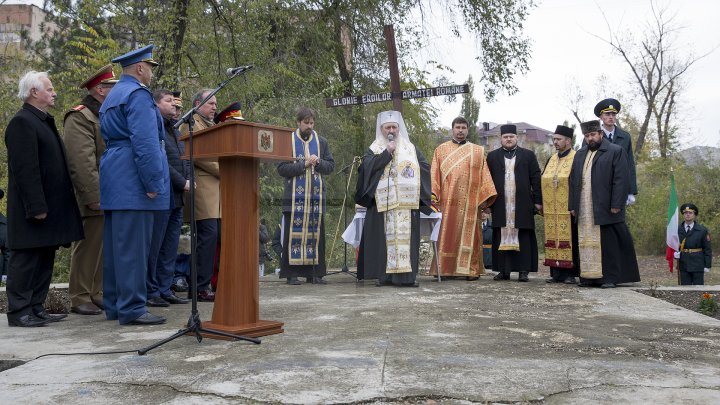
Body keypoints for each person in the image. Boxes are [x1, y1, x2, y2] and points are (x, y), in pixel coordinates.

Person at [4, 71, 84, 327]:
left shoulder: (41, 120)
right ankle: (19, 312)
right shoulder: (22, 122)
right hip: (34, 209)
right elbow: (25, 170)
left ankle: (36, 307)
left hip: (51, 208)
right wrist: (36, 206)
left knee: (44, 259)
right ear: (34, 92)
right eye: (49, 89)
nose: (54, 93)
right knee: (26, 260)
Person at [99, 45, 171, 325]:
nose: (152, 72)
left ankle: (116, 305)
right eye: (150, 67)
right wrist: (153, 181)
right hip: (133, 178)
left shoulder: (113, 94)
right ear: (140, 68)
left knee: (118, 247)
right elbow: (146, 143)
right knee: (135, 248)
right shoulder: (138, 95)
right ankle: (132, 308)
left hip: (115, 173)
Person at [63, 64, 117, 316]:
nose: (115, 91)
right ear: (100, 90)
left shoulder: (103, 115)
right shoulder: (80, 117)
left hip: (109, 191)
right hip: (92, 193)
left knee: (102, 246)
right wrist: (93, 196)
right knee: (87, 246)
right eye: (111, 87)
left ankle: (95, 292)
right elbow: (81, 162)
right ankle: (79, 295)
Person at [355, 110, 432, 287]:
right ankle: (385, 277)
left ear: (399, 128)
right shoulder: (374, 148)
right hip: (383, 204)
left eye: (394, 127)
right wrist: (386, 153)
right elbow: (366, 169)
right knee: (384, 241)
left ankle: (407, 278)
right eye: (387, 127)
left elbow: (425, 167)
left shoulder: (410, 148)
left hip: (406, 202)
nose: (391, 130)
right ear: (382, 129)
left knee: (407, 239)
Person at [568, 120, 640, 288]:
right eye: (587, 136)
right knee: (584, 242)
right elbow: (573, 182)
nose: (590, 139)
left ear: (600, 134)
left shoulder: (615, 151)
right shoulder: (580, 154)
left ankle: (609, 278)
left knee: (609, 244)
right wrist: (572, 205)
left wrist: (617, 203)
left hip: (606, 207)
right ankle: (587, 276)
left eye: (593, 135)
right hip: (584, 209)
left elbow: (621, 180)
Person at [430, 116, 496, 280]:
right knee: (446, 235)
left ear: (467, 130)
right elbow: (434, 176)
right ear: (452, 129)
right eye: (457, 127)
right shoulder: (440, 150)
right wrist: (433, 197)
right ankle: (444, 269)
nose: (460, 130)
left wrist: (485, 201)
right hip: (447, 202)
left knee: (470, 236)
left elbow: (485, 176)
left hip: (470, 203)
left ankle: (470, 270)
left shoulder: (477, 151)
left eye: (463, 128)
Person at [276, 108, 335, 285]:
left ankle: (314, 273)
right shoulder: (288, 141)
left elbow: (330, 166)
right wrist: (304, 164)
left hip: (316, 199)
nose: (309, 126)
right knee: (292, 236)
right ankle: (291, 273)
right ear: (298, 122)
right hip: (293, 199)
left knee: (315, 236)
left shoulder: (321, 142)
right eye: (306, 123)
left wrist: (318, 163)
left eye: (311, 123)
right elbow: (281, 169)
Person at [145, 89, 191, 307]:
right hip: (163, 194)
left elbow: (184, 159)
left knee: (170, 246)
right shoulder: (155, 127)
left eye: (176, 102)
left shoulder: (176, 129)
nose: (174, 105)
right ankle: (151, 289)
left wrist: (188, 179)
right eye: (168, 101)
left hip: (178, 197)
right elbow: (163, 162)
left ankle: (165, 288)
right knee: (156, 245)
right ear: (156, 104)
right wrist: (182, 182)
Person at [177, 89, 219, 301]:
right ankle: (199, 287)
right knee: (207, 237)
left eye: (215, 104)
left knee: (214, 238)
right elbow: (198, 155)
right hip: (202, 189)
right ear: (197, 103)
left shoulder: (212, 124)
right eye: (210, 103)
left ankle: (208, 284)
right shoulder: (190, 123)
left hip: (217, 193)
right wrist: (226, 170)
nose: (214, 107)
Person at [486, 124, 542, 282]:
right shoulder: (492, 156)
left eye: (511, 136)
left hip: (522, 204)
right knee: (500, 235)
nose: (508, 139)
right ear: (501, 139)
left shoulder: (528, 155)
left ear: (517, 138)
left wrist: (538, 201)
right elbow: (486, 182)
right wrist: (487, 204)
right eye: (505, 137)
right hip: (500, 204)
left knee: (523, 236)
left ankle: (523, 271)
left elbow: (536, 178)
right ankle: (503, 271)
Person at [542, 125, 581, 284]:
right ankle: (556, 273)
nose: (555, 142)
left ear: (568, 141)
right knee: (553, 239)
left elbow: (578, 183)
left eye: (558, 139)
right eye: (554, 139)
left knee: (571, 239)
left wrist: (575, 206)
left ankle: (570, 274)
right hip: (552, 208)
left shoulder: (576, 157)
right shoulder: (551, 159)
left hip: (568, 208)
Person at [593, 98, 637, 203]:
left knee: (618, 218)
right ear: (601, 117)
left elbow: (629, 164)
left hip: (620, 187)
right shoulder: (593, 137)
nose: (611, 117)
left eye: (613, 114)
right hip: (599, 189)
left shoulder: (625, 137)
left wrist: (631, 191)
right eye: (607, 114)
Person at [676, 203, 712, 285]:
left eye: (690, 213)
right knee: (685, 288)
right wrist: (675, 253)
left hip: (698, 263)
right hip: (683, 262)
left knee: (698, 289)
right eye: (685, 213)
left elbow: (707, 249)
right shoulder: (677, 229)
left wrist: (707, 265)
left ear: (694, 215)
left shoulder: (702, 230)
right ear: (683, 214)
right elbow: (673, 243)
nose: (688, 215)